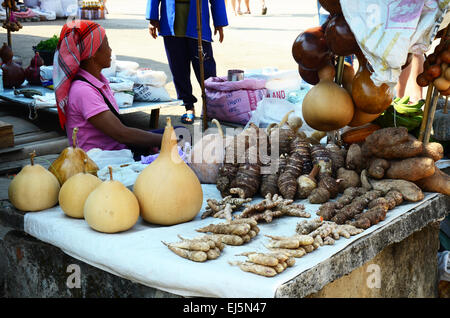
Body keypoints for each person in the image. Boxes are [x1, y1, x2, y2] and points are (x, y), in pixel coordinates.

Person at [53, 20, 164, 157]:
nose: (110, 50)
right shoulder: (83, 91)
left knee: (180, 132)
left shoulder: (96, 81)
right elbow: (122, 134)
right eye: (107, 44)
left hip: (116, 147)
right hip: (103, 158)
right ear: (93, 53)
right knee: (179, 136)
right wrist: (168, 140)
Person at [146, 0, 228, 124]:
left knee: (206, 69)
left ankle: (211, 106)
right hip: (172, 22)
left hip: (198, 22)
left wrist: (219, 22)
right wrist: (152, 18)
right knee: (178, 69)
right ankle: (188, 106)